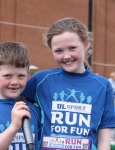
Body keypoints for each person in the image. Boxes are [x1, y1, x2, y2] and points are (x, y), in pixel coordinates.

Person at [21, 18, 115, 150]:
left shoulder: (103, 86)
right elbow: (10, 100)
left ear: (86, 44)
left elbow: (104, 135)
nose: (66, 56)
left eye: (72, 48)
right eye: (59, 51)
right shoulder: (42, 79)